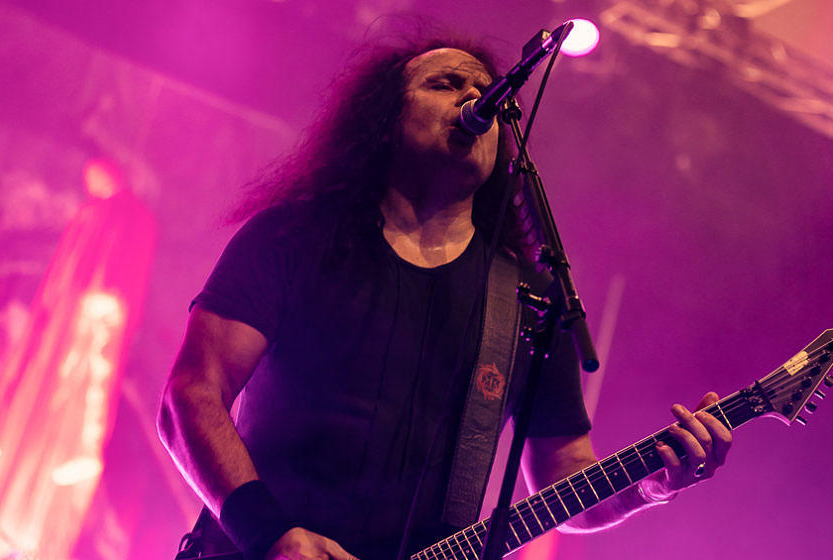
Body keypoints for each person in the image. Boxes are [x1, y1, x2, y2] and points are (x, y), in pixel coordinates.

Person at [157, 34, 732, 560]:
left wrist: (648, 486)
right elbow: (190, 397)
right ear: (385, 120)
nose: (476, 98)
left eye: (486, 90)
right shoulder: (294, 238)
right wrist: (271, 535)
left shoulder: (528, 300)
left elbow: (565, 474)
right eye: (446, 84)